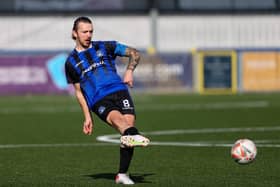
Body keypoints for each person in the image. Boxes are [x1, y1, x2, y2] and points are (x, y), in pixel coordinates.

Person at [64, 16, 150, 185]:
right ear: (74, 33)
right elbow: (79, 92)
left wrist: (130, 70)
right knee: (120, 123)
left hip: (120, 91)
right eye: (84, 32)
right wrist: (87, 116)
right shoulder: (71, 63)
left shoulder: (106, 46)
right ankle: (135, 135)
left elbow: (135, 53)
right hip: (99, 99)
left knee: (127, 132)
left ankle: (122, 174)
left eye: (91, 31)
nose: (88, 35)